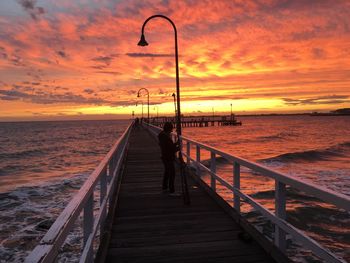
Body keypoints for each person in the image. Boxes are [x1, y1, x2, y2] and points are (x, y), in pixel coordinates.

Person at [158, 122, 179, 196]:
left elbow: (169, 146)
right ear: (169, 129)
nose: (171, 131)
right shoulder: (165, 137)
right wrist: (178, 148)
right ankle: (172, 191)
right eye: (171, 129)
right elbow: (171, 149)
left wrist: (176, 144)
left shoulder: (162, 136)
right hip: (168, 157)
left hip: (165, 157)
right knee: (172, 173)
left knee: (167, 172)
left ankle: (165, 188)